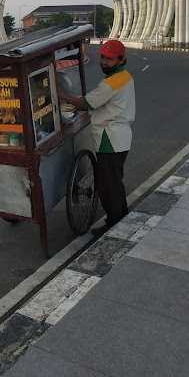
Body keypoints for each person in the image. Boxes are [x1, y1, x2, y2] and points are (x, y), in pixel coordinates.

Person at [59, 39, 135, 236]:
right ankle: (121, 215)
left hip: (110, 139)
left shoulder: (113, 82)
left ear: (121, 60)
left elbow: (86, 103)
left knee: (107, 185)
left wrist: (61, 95)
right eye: (102, 57)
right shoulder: (124, 76)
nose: (103, 62)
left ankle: (114, 223)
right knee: (114, 181)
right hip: (120, 137)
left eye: (109, 59)